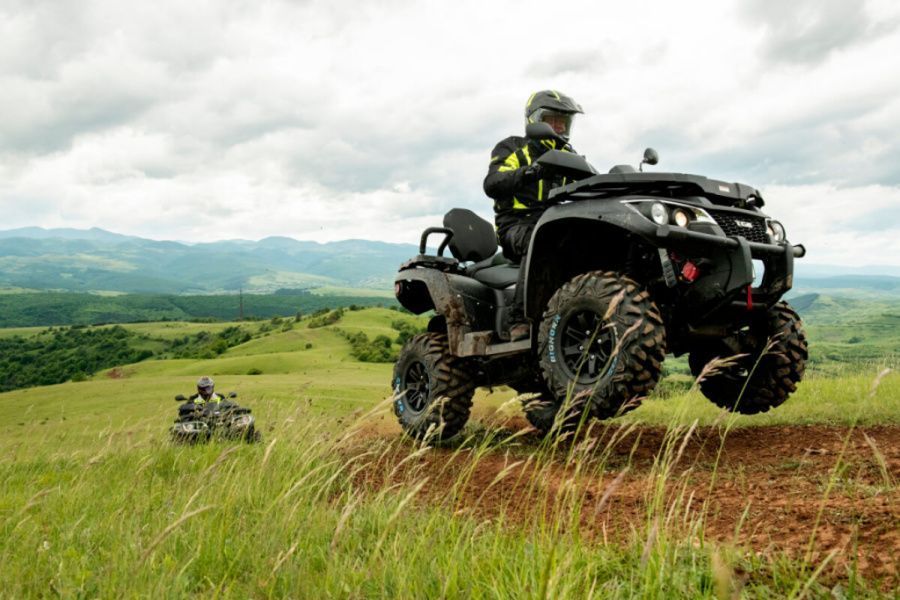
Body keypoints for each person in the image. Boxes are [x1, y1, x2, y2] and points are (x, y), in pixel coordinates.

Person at [483, 90, 583, 340]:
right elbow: (493, 184)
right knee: (543, 238)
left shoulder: (570, 156)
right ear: (536, 121)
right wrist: (533, 172)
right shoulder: (513, 147)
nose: (559, 126)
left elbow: (589, 183)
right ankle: (519, 319)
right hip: (516, 226)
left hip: (557, 224)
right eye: (552, 120)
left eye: (563, 121)